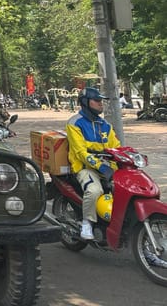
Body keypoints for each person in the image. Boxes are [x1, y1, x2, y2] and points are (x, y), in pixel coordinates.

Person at [66, 87, 120, 241]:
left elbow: (116, 146)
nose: (100, 104)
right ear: (85, 102)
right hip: (84, 167)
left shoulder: (105, 125)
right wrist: (102, 167)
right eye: (97, 100)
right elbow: (81, 152)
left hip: (107, 168)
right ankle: (87, 223)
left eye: (101, 101)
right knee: (94, 190)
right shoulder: (74, 123)